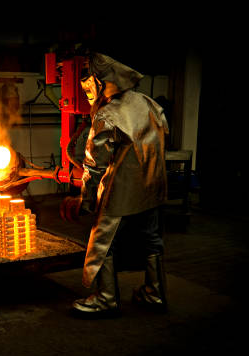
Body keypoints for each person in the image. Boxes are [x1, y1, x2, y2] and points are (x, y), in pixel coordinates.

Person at [61, 52, 169, 316]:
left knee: (102, 243)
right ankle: (155, 294)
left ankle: (106, 298)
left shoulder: (107, 114)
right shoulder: (148, 103)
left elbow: (94, 164)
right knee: (151, 240)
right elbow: (164, 133)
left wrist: (85, 201)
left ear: (102, 81)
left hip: (120, 192)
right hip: (152, 186)